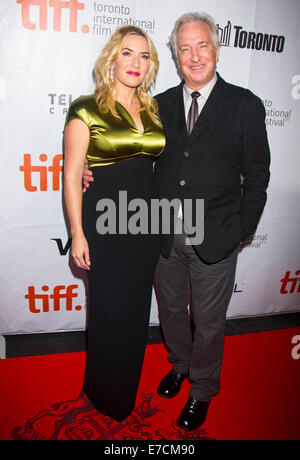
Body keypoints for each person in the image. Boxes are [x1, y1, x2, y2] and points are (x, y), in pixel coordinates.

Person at [83, 12, 270, 431]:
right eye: (184, 48)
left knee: (207, 320)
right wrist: (88, 168)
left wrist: (242, 228)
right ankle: (180, 365)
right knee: (170, 313)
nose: (194, 56)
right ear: (176, 55)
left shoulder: (245, 105)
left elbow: (257, 177)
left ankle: (202, 389)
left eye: (202, 45)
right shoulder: (159, 104)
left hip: (216, 235)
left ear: (217, 50)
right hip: (161, 233)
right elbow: (128, 150)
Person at [63, 26, 165, 422]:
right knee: (107, 308)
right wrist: (77, 233)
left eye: (144, 56)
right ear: (112, 59)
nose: (135, 63)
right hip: (103, 222)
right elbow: (73, 175)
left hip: (145, 224)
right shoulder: (86, 108)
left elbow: (154, 168)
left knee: (136, 310)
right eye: (127, 53)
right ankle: (102, 390)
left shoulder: (155, 110)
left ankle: (124, 387)